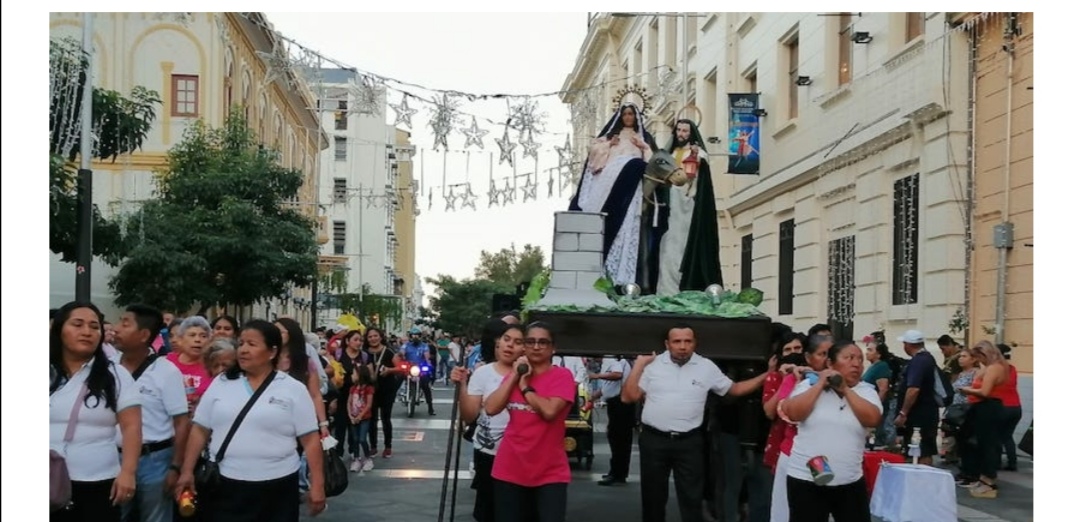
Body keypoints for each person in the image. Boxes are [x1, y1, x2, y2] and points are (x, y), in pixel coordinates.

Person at [175, 320, 326, 520]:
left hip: (278, 486)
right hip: (226, 482)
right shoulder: (222, 383)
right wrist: (187, 470)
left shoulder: (292, 388)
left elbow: (310, 439)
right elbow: (200, 429)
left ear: (272, 352)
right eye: (241, 343)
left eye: (252, 344)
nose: (243, 350)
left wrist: (317, 485)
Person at [621, 324, 768, 522]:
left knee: (692, 498)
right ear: (667, 344)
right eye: (677, 341)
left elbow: (735, 389)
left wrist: (768, 375)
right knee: (653, 498)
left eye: (687, 341)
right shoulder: (652, 365)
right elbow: (628, 397)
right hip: (654, 440)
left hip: (689, 442)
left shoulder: (706, 367)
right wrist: (639, 365)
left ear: (694, 343)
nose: (682, 346)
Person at [50, 301, 142, 522]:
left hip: (97, 480)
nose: (87, 332)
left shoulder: (115, 374)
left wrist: (128, 472)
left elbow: (132, 426)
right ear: (59, 329)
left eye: (94, 326)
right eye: (77, 324)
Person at [780, 340, 883, 522]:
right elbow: (794, 413)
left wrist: (845, 389)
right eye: (849, 358)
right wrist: (820, 384)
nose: (856, 364)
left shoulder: (866, 392)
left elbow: (872, 419)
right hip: (807, 478)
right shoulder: (809, 386)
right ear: (830, 363)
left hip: (849, 479)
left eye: (860, 359)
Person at [485, 322, 577, 522]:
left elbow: (549, 411)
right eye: (530, 342)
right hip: (509, 468)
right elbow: (491, 408)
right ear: (524, 347)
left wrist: (525, 387)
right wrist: (515, 376)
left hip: (549, 471)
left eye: (543, 342)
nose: (536, 347)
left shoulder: (562, 376)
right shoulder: (514, 376)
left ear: (553, 348)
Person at [111, 304, 191, 522]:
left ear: (144, 335)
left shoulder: (166, 371)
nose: (116, 328)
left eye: (125, 324)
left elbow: (181, 422)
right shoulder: (108, 367)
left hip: (154, 460)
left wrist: (175, 466)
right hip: (112, 458)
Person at [568, 100, 656, 287]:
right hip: (610, 183)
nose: (628, 117)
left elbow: (652, 164)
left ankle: (622, 275)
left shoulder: (643, 137)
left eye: (631, 114)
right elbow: (594, 156)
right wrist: (609, 144)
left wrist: (644, 147)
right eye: (625, 114)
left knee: (627, 225)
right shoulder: (610, 136)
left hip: (631, 186)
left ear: (636, 116)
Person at [450, 323, 527, 522]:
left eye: (518, 342)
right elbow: (469, 416)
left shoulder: (529, 374)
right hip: (488, 452)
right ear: (497, 342)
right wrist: (462, 386)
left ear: (524, 348)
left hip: (520, 453)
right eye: (506, 339)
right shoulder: (483, 373)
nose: (510, 345)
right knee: (487, 509)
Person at [653, 118, 722, 295]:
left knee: (683, 245)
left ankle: (684, 285)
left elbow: (698, 179)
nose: (681, 134)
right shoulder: (669, 153)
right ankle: (665, 290)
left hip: (687, 204)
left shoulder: (699, 154)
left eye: (685, 131)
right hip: (669, 204)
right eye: (679, 130)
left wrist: (695, 158)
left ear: (691, 133)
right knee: (667, 247)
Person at [955, 341, 1009, 498]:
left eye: (979, 357)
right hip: (983, 407)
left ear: (986, 354)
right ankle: (982, 478)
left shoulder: (994, 368)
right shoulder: (992, 367)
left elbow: (985, 392)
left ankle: (988, 480)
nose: (979, 360)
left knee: (988, 444)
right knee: (980, 443)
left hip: (989, 407)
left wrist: (967, 389)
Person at [893, 330, 940, 464]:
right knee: (922, 449)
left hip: (919, 415)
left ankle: (922, 475)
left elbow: (913, 389)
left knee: (921, 450)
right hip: (926, 413)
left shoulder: (918, 361)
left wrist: (903, 413)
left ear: (908, 345)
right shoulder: (927, 358)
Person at [366, 327, 405, 458]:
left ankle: (388, 447)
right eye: (370, 337)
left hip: (387, 389)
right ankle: (373, 446)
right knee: (371, 419)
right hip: (370, 390)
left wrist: (389, 370)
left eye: (375, 336)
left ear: (381, 337)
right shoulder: (364, 353)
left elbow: (400, 368)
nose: (373, 339)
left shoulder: (388, 352)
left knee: (385, 418)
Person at [347, 365, 376, 473]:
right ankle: (356, 458)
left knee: (362, 439)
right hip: (353, 417)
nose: (352, 376)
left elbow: (369, 404)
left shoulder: (369, 389)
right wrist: (350, 415)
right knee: (355, 439)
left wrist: (360, 416)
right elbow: (349, 402)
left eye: (354, 373)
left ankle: (368, 458)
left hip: (364, 418)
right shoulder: (353, 388)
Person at [401, 327, 436, 416]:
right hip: (409, 368)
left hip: (420, 368)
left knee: (426, 386)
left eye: (417, 335)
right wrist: (402, 357)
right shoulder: (406, 345)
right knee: (397, 378)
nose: (415, 337)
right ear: (410, 336)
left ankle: (430, 407)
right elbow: (402, 353)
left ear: (420, 336)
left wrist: (428, 364)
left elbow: (427, 356)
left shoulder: (424, 346)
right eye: (413, 335)